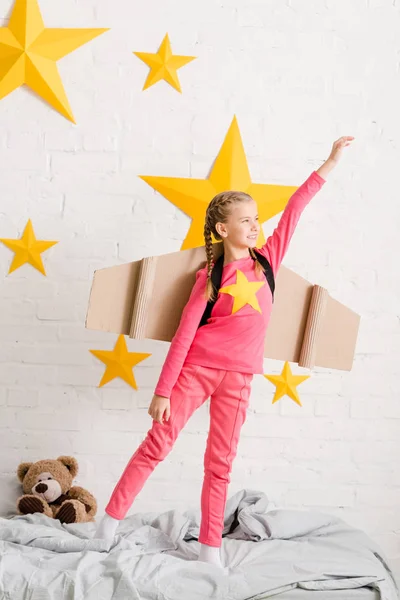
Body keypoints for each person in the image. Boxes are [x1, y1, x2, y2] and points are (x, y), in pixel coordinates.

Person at [94, 136, 355, 568]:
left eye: (256, 219)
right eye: (246, 220)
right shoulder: (209, 277)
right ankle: (107, 525)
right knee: (156, 446)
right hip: (195, 371)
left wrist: (328, 162)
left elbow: (295, 208)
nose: (255, 226)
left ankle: (210, 549)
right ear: (222, 228)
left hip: (239, 379)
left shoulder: (268, 260)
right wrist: (162, 391)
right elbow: (182, 337)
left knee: (219, 465)